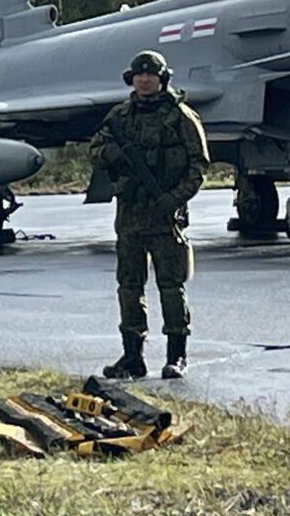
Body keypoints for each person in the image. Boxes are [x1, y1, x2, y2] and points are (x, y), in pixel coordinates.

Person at [89, 50, 210, 380]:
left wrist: (174, 198)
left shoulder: (180, 116)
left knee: (171, 286)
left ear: (162, 79)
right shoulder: (119, 116)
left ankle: (176, 356)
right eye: (139, 75)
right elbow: (95, 150)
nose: (144, 80)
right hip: (130, 216)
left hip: (165, 216)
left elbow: (199, 166)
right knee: (129, 287)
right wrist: (114, 154)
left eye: (151, 75)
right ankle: (132, 357)